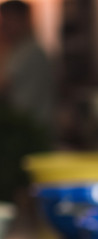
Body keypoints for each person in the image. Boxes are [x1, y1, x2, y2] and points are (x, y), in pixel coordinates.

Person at [0, 0, 53, 206]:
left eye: (8, 20)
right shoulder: (19, 50)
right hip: (25, 128)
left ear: (24, 20)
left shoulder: (29, 51)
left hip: (29, 131)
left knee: (25, 189)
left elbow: (3, 86)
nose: (4, 26)